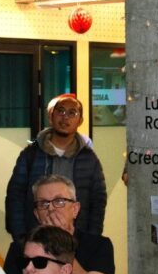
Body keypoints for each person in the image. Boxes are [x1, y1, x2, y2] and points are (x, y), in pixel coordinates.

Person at [6, 93, 107, 241]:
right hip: (36, 238)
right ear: (51, 117)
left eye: (72, 113)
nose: (65, 117)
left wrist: (91, 237)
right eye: (60, 111)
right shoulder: (31, 155)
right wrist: (21, 236)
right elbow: (15, 196)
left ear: (80, 121)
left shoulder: (89, 159)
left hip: (77, 239)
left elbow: (98, 201)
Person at [4, 175, 114, 274]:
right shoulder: (20, 247)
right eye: (43, 203)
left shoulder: (99, 245)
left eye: (59, 201)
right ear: (36, 214)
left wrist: (59, 243)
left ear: (75, 209)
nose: (51, 208)